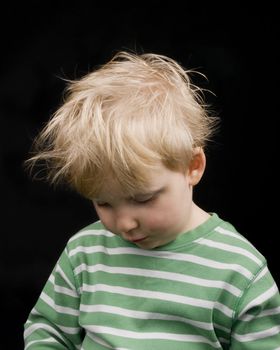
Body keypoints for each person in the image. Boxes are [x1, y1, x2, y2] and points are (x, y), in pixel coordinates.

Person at [24, 51, 280, 350]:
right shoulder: (85, 253)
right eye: (103, 203)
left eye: (143, 199)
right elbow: (48, 330)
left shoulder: (240, 270)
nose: (123, 223)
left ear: (192, 166)